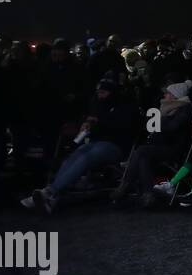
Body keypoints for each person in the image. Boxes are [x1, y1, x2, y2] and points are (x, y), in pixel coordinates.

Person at [24, 76, 137, 213]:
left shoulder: (123, 106)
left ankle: (51, 191)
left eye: (103, 92)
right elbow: (93, 122)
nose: (100, 95)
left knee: (87, 157)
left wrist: (99, 122)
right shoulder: (97, 105)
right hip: (96, 142)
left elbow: (122, 126)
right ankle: (51, 195)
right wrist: (86, 124)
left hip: (115, 145)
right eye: (99, 92)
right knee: (74, 156)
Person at [119, 79, 192, 207]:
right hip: (162, 145)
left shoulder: (186, 108)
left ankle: (128, 185)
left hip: (174, 148)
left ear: (175, 95)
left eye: (167, 93)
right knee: (143, 156)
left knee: (141, 152)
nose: (164, 95)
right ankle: (148, 194)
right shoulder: (165, 108)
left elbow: (174, 126)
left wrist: (159, 121)